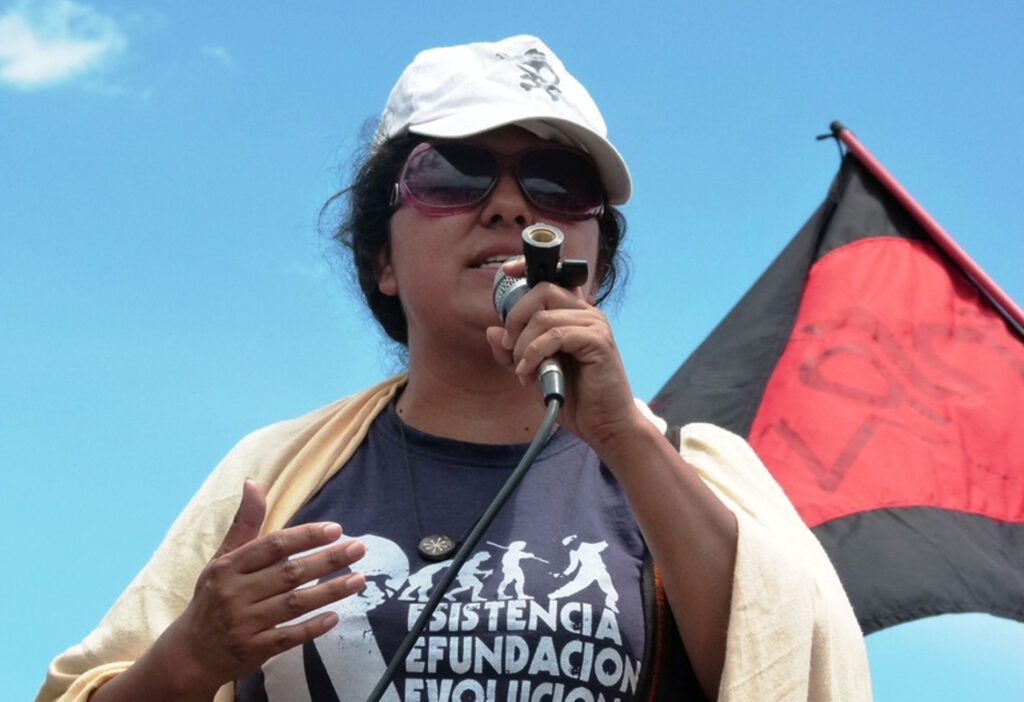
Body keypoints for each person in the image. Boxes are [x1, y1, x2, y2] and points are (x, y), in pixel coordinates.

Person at [37, 35, 871, 702]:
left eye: (558, 182)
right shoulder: (273, 473)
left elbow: (784, 669)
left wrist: (621, 437)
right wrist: (189, 658)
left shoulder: (697, 473)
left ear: (593, 262)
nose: (509, 205)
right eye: (453, 173)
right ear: (381, 261)